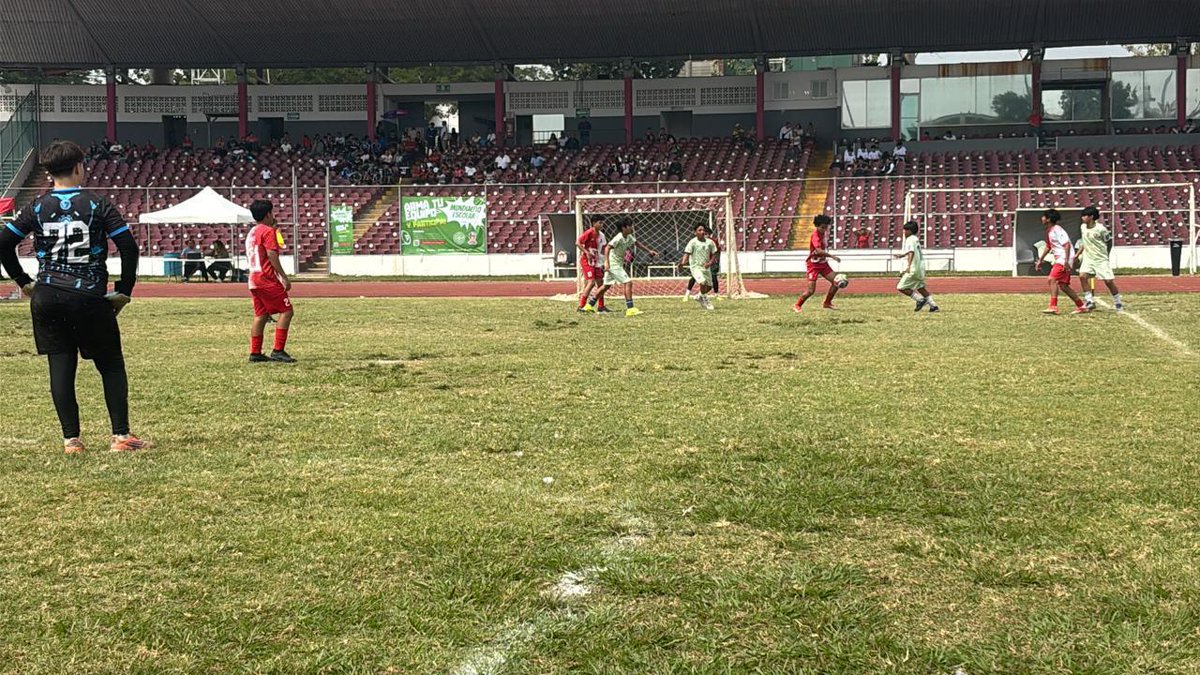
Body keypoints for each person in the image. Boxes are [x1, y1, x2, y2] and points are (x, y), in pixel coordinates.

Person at [0, 140, 151, 453]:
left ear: (49, 172)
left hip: (47, 296)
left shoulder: (36, 206)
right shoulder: (97, 204)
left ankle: (71, 440)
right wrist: (124, 290)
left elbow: (3, 242)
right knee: (110, 364)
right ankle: (121, 436)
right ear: (79, 167)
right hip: (88, 296)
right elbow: (128, 246)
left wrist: (23, 281)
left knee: (60, 365)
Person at [245, 200, 296, 363]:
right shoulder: (268, 231)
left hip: (253, 278)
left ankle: (255, 352)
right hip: (266, 278)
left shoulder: (252, 232)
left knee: (261, 315)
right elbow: (271, 254)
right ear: (268, 214)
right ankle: (278, 350)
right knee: (287, 311)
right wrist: (283, 277)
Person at [589, 217, 658, 317]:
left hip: (617, 264)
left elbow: (636, 243)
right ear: (624, 228)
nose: (632, 228)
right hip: (613, 264)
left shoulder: (629, 236)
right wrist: (607, 263)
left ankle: (589, 305)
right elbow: (607, 248)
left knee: (606, 286)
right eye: (630, 226)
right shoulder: (618, 238)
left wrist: (649, 251)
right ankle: (630, 309)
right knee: (628, 282)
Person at [1034, 208, 1087, 315]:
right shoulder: (1049, 231)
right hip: (1061, 259)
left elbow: (1066, 245)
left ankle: (1053, 306)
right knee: (1063, 286)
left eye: (1044, 216)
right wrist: (1040, 260)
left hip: (1063, 259)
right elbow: (1048, 246)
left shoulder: (1057, 230)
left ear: (1048, 219)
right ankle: (1081, 306)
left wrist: (1066, 261)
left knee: (1052, 279)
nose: (1042, 218)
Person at [1077, 205, 1124, 311]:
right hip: (1088, 258)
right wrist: (1077, 254)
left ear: (1091, 217)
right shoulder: (1083, 227)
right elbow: (1084, 242)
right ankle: (1089, 301)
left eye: (1085, 215)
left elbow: (1109, 241)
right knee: (1082, 276)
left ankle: (1118, 302)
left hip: (1100, 259)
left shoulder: (1101, 229)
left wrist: (1106, 255)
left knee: (1108, 281)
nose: (1082, 217)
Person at [793, 215, 843, 312]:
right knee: (811, 291)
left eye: (826, 227)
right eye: (822, 227)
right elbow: (819, 251)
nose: (824, 229)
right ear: (817, 226)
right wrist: (832, 256)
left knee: (836, 282)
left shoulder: (823, 234)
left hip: (823, 264)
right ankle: (797, 305)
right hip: (813, 265)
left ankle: (827, 303)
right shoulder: (815, 236)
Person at [893, 221, 939, 313]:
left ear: (910, 231)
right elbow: (913, 251)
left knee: (901, 287)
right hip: (921, 267)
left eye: (905, 230)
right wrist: (902, 255)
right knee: (920, 287)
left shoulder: (910, 239)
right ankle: (933, 306)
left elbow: (911, 252)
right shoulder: (915, 239)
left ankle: (920, 300)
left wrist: (909, 266)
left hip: (914, 267)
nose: (904, 232)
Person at [680, 224, 719, 310]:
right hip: (695, 267)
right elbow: (687, 253)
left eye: (703, 230)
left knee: (709, 287)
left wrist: (710, 263)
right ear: (695, 232)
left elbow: (715, 254)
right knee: (702, 282)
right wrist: (682, 263)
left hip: (706, 267)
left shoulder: (710, 242)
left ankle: (699, 296)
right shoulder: (692, 242)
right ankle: (705, 300)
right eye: (700, 230)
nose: (702, 232)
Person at [575, 215, 609, 313]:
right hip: (587, 261)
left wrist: (604, 259)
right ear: (594, 223)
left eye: (603, 223)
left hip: (596, 261)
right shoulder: (589, 232)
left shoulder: (601, 235)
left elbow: (604, 248)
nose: (602, 224)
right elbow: (577, 243)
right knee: (591, 282)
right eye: (600, 223)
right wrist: (586, 252)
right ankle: (581, 306)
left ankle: (601, 306)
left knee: (600, 283)